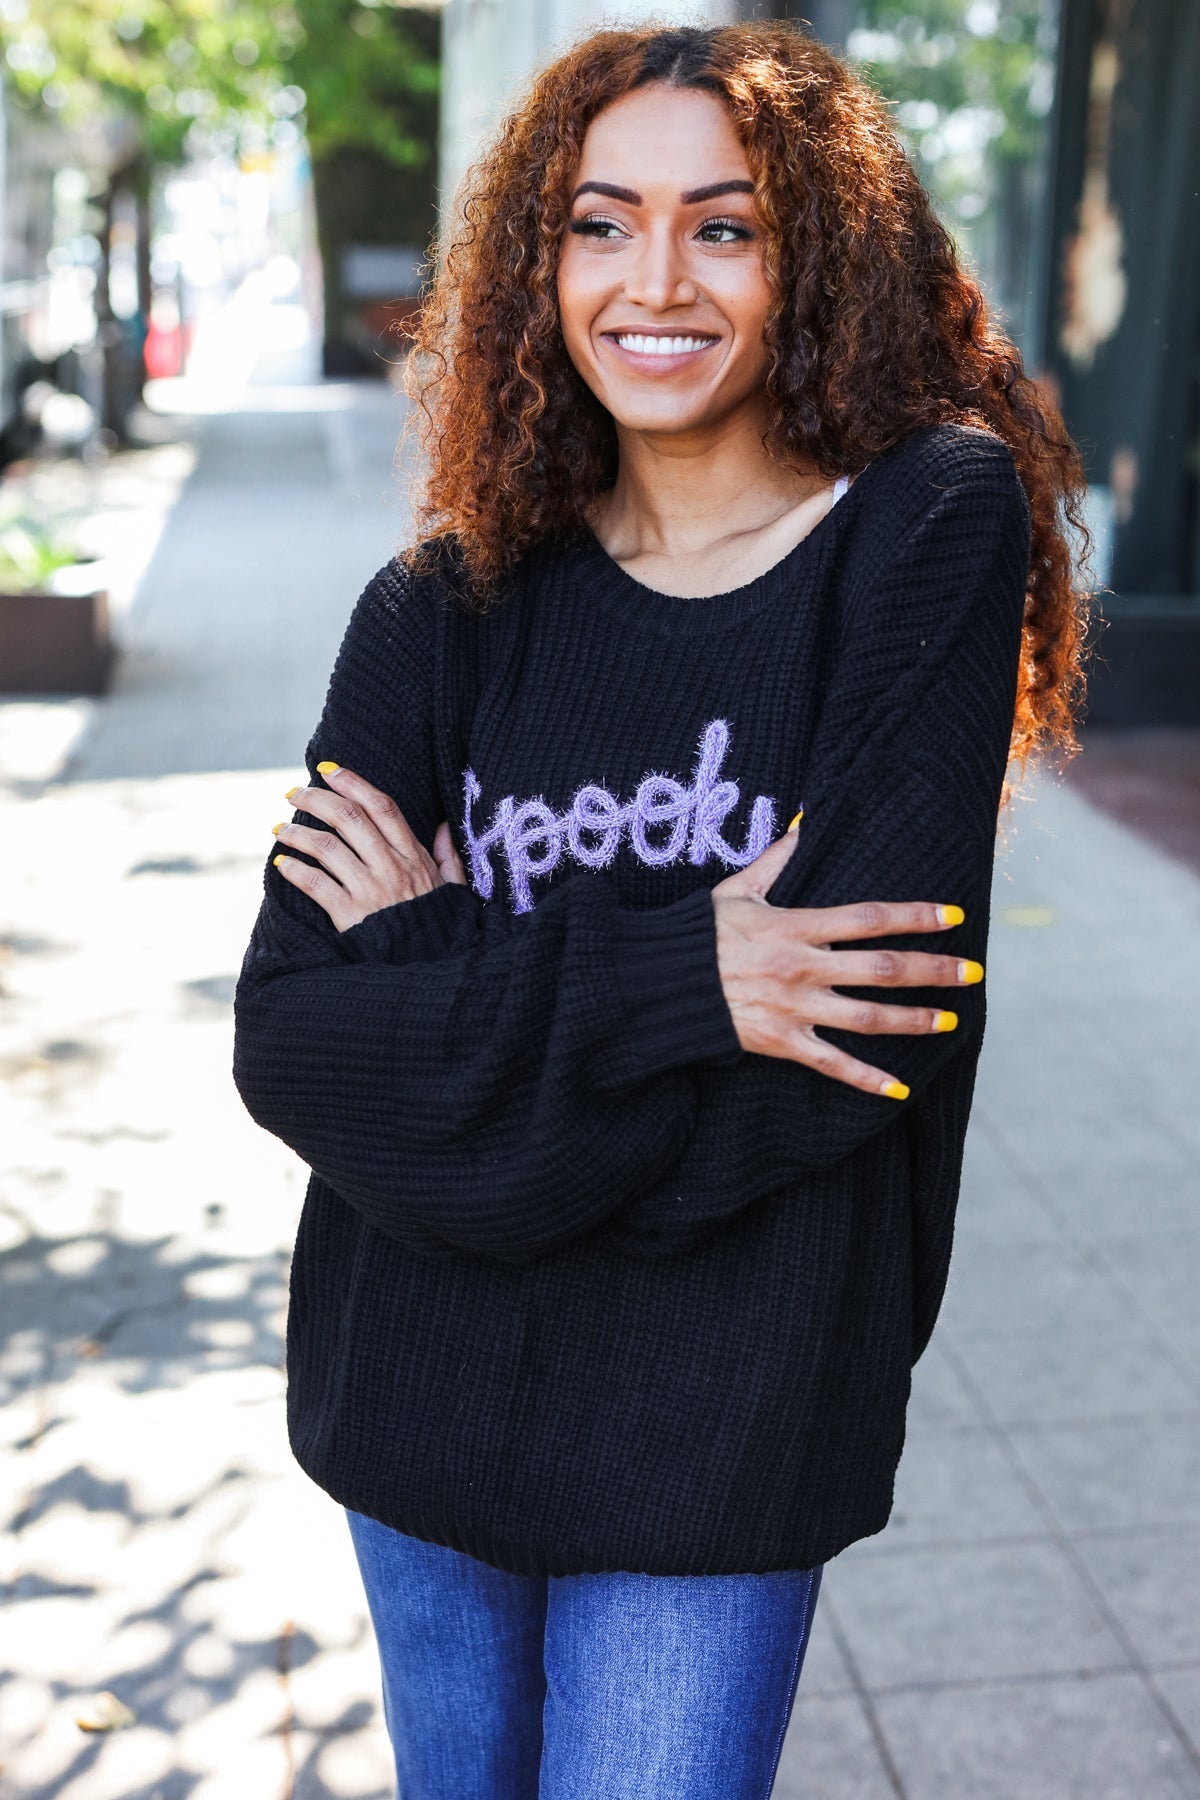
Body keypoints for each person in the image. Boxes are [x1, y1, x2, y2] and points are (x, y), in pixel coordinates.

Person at [232, 21, 1091, 1799]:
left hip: (718, 1421)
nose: (655, 282)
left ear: (817, 258)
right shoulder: (442, 606)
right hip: (418, 1396)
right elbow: (294, 1038)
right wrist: (686, 972)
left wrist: (445, 1005)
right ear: (537, 263)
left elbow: (842, 1049)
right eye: (600, 224)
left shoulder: (922, 527)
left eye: (727, 226)